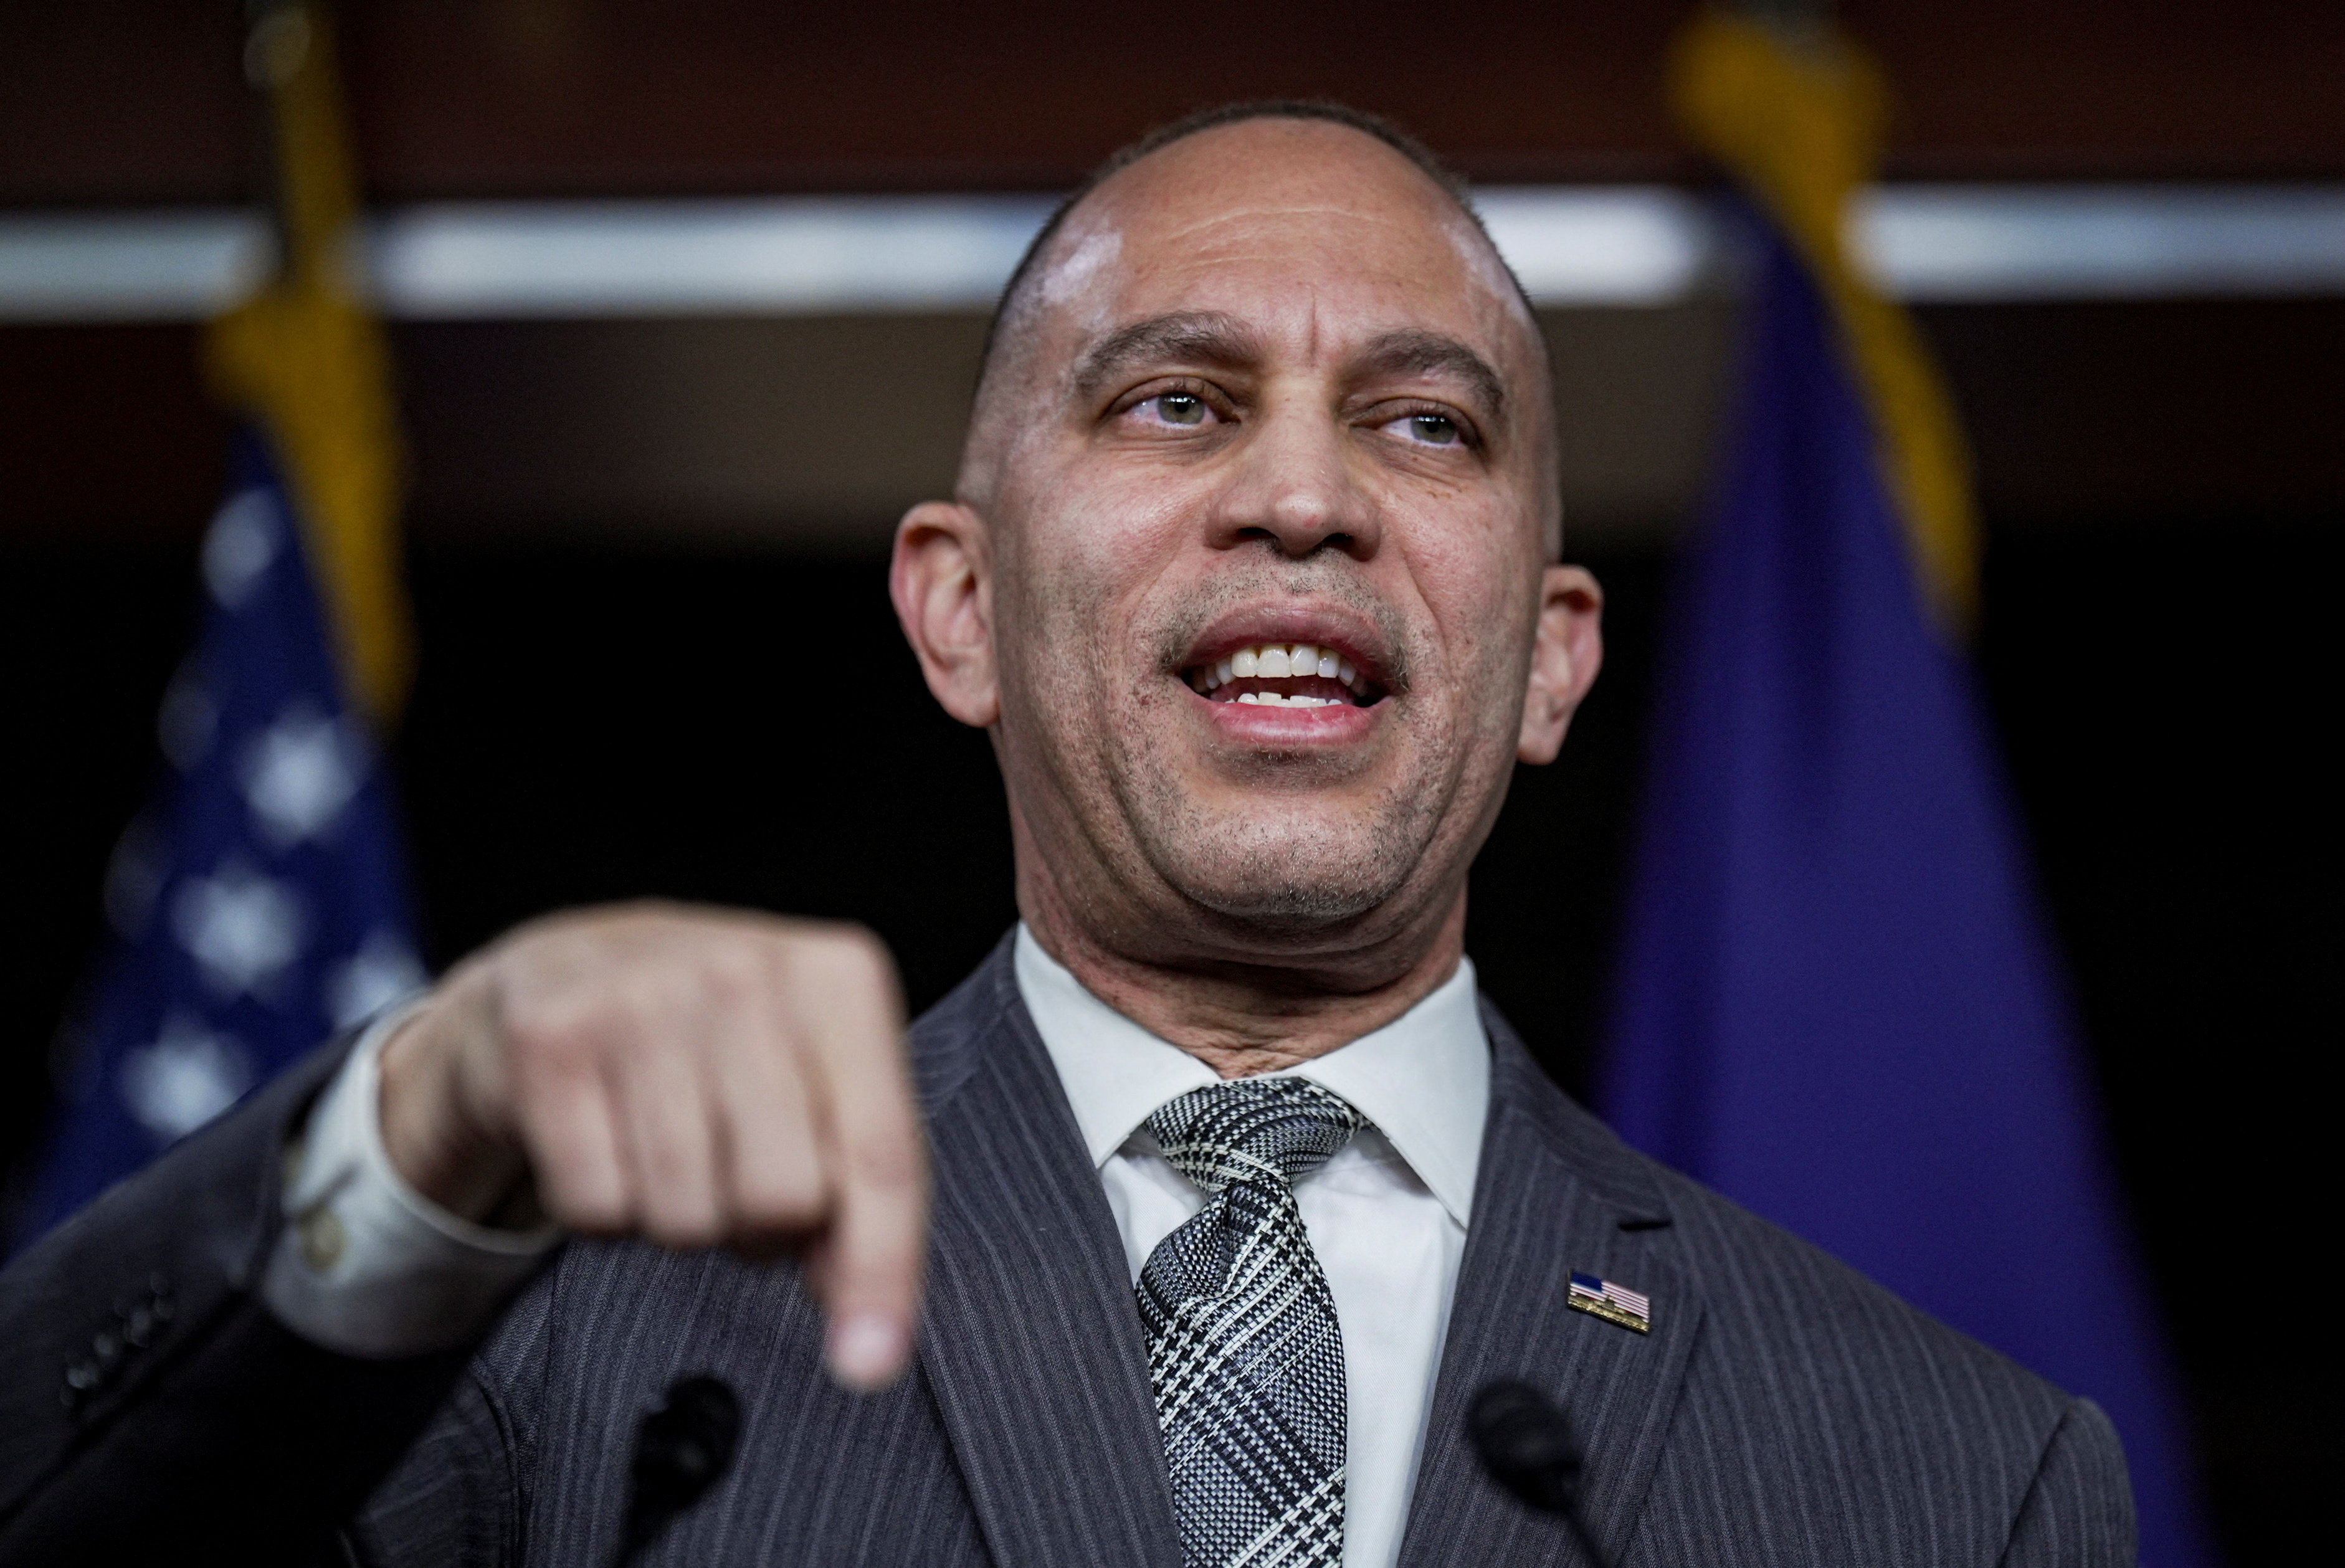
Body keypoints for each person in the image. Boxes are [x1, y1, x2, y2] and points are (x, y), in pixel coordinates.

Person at [0, 102, 2132, 1566]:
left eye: (1420, 424)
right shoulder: (545, 1339)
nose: (1303, 499)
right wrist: (411, 1124)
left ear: (1553, 657)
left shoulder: (1955, 1473)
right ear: (960, 608)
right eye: (1178, 403)